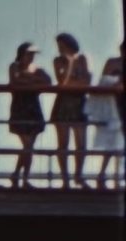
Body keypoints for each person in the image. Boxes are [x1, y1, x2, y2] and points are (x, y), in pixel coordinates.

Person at [50, 33, 92, 189]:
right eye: (58, 46)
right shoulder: (58, 61)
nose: (60, 49)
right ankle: (65, 179)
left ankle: (78, 176)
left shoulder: (83, 59)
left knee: (81, 143)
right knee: (63, 143)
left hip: (79, 103)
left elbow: (86, 82)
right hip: (63, 104)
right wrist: (69, 65)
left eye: (62, 45)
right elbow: (62, 83)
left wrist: (73, 83)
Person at [8, 43, 51, 189]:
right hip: (20, 108)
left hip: (33, 108)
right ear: (22, 53)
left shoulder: (38, 69)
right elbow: (15, 81)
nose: (31, 56)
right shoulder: (14, 66)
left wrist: (28, 80)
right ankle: (19, 176)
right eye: (29, 53)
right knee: (27, 145)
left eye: (33, 54)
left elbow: (47, 82)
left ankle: (21, 177)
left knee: (29, 146)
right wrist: (33, 81)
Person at [86, 41, 125, 189]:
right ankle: (103, 175)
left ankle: (116, 177)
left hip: (121, 105)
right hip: (114, 107)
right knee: (112, 142)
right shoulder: (112, 62)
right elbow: (104, 81)